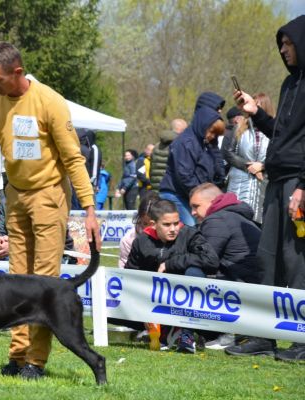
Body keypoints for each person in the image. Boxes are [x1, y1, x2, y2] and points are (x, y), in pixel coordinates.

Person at [0, 42, 101, 380]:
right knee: (14, 279)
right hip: (15, 197)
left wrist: (89, 207)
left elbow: (73, 159)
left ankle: (34, 363)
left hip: (49, 197)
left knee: (42, 282)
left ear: (17, 72)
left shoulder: (49, 102)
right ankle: (17, 356)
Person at [232, 15, 305, 361]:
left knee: (297, 262)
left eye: (289, 44)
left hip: (298, 184)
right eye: (281, 44)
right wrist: (256, 113)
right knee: (268, 261)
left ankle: (302, 341)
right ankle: (264, 335)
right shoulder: (289, 85)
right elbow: (283, 134)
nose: (283, 50)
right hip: (277, 181)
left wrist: (303, 188)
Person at [125, 199, 219, 353]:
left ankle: (187, 334)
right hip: (152, 297)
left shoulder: (189, 234)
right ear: (154, 224)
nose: (174, 229)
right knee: (111, 311)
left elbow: (211, 260)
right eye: (167, 225)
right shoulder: (141, 241)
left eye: (176, 223)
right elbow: (131, 274)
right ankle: (163, 330)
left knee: (194, 272)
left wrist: (170, 264)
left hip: (186, 297)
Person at [189, 183, 262, 350]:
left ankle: (226, 334)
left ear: (213, 201)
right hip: (252, 279)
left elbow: (207, 260)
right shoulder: (233, 215)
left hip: (241, 281)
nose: (193, 212)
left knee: (193, 273)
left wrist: (173, 261)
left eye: (196, 206)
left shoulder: (216, 219)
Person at [159, 102, 226, 226]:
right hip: (176, 194)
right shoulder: (187, 143)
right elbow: (185, 176)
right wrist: (203, 196)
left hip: (190, 194)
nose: (212, 137)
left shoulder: (203, 143)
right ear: (203, 125)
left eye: (216, 135)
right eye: (211, 132)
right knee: (192, 227)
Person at [0, 196, 76, 262]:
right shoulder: (8, 201)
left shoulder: (49, 200)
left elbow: (50, 241)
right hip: (14, 250)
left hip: (48, 254)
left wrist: (14, 246)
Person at [222, 94, 274, 225]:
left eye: (257, 105)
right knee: (236, 221)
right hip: (240, 182)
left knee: (261, 223)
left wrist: (263, 166)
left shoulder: (275, 130)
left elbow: (280, 155)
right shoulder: (239, 127)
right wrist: (248, 166)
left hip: (264, 182)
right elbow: (228, 152)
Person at [118, 191, 159, 268]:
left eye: (154, 223)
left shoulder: (170, 234)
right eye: (145, 223)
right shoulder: (128, 240)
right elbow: (124, 270)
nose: (149, 229)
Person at [150, 119, 187, 192]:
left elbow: (151, 167)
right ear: (183, 130)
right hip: (172, 189)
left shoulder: (157, 146)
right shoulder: (180, 145)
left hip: (156, 188)